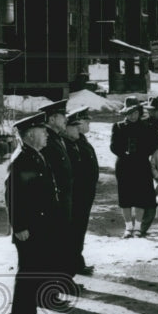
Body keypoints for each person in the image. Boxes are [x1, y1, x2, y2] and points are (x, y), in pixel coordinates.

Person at [5, 112, 61, 314]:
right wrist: (19, 226)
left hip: (39, 226)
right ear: (30, 134)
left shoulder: (35, 154)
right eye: (42, 131)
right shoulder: (22, 159)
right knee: (27, 274)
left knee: (34, 272)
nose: (47, 134)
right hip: (28, 228)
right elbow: (13, 196)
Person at [111, 97, 157, 237]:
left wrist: (140, 153)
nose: (133, 115)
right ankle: (128, 227)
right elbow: (113, 146)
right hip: (124, 164)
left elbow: (152, 145)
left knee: (140, 197)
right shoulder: (118, 126)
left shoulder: (146, 127)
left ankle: (138, 228)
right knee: (125, 197)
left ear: (139, 112)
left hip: (141, 164)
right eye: (129, 112)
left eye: (135, 112)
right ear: (125, 113)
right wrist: (124, 153)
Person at [39, 100, 74, 270]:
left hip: (64, 197)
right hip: (56, 199)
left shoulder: (56, 138)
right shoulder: (47, 140)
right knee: (56, 241)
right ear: (52, 119)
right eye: (62, 117)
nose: (66, 120)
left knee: (63, 239)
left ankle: (63, 279)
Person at [64, 108, 99, 276]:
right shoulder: (69, 143)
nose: (88, 124)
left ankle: (77, 263)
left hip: (84, 195)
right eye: (86, 122)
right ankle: (71, 267)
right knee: (73, 232)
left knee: (79, 230)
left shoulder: (80, 140)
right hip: (75, 196)